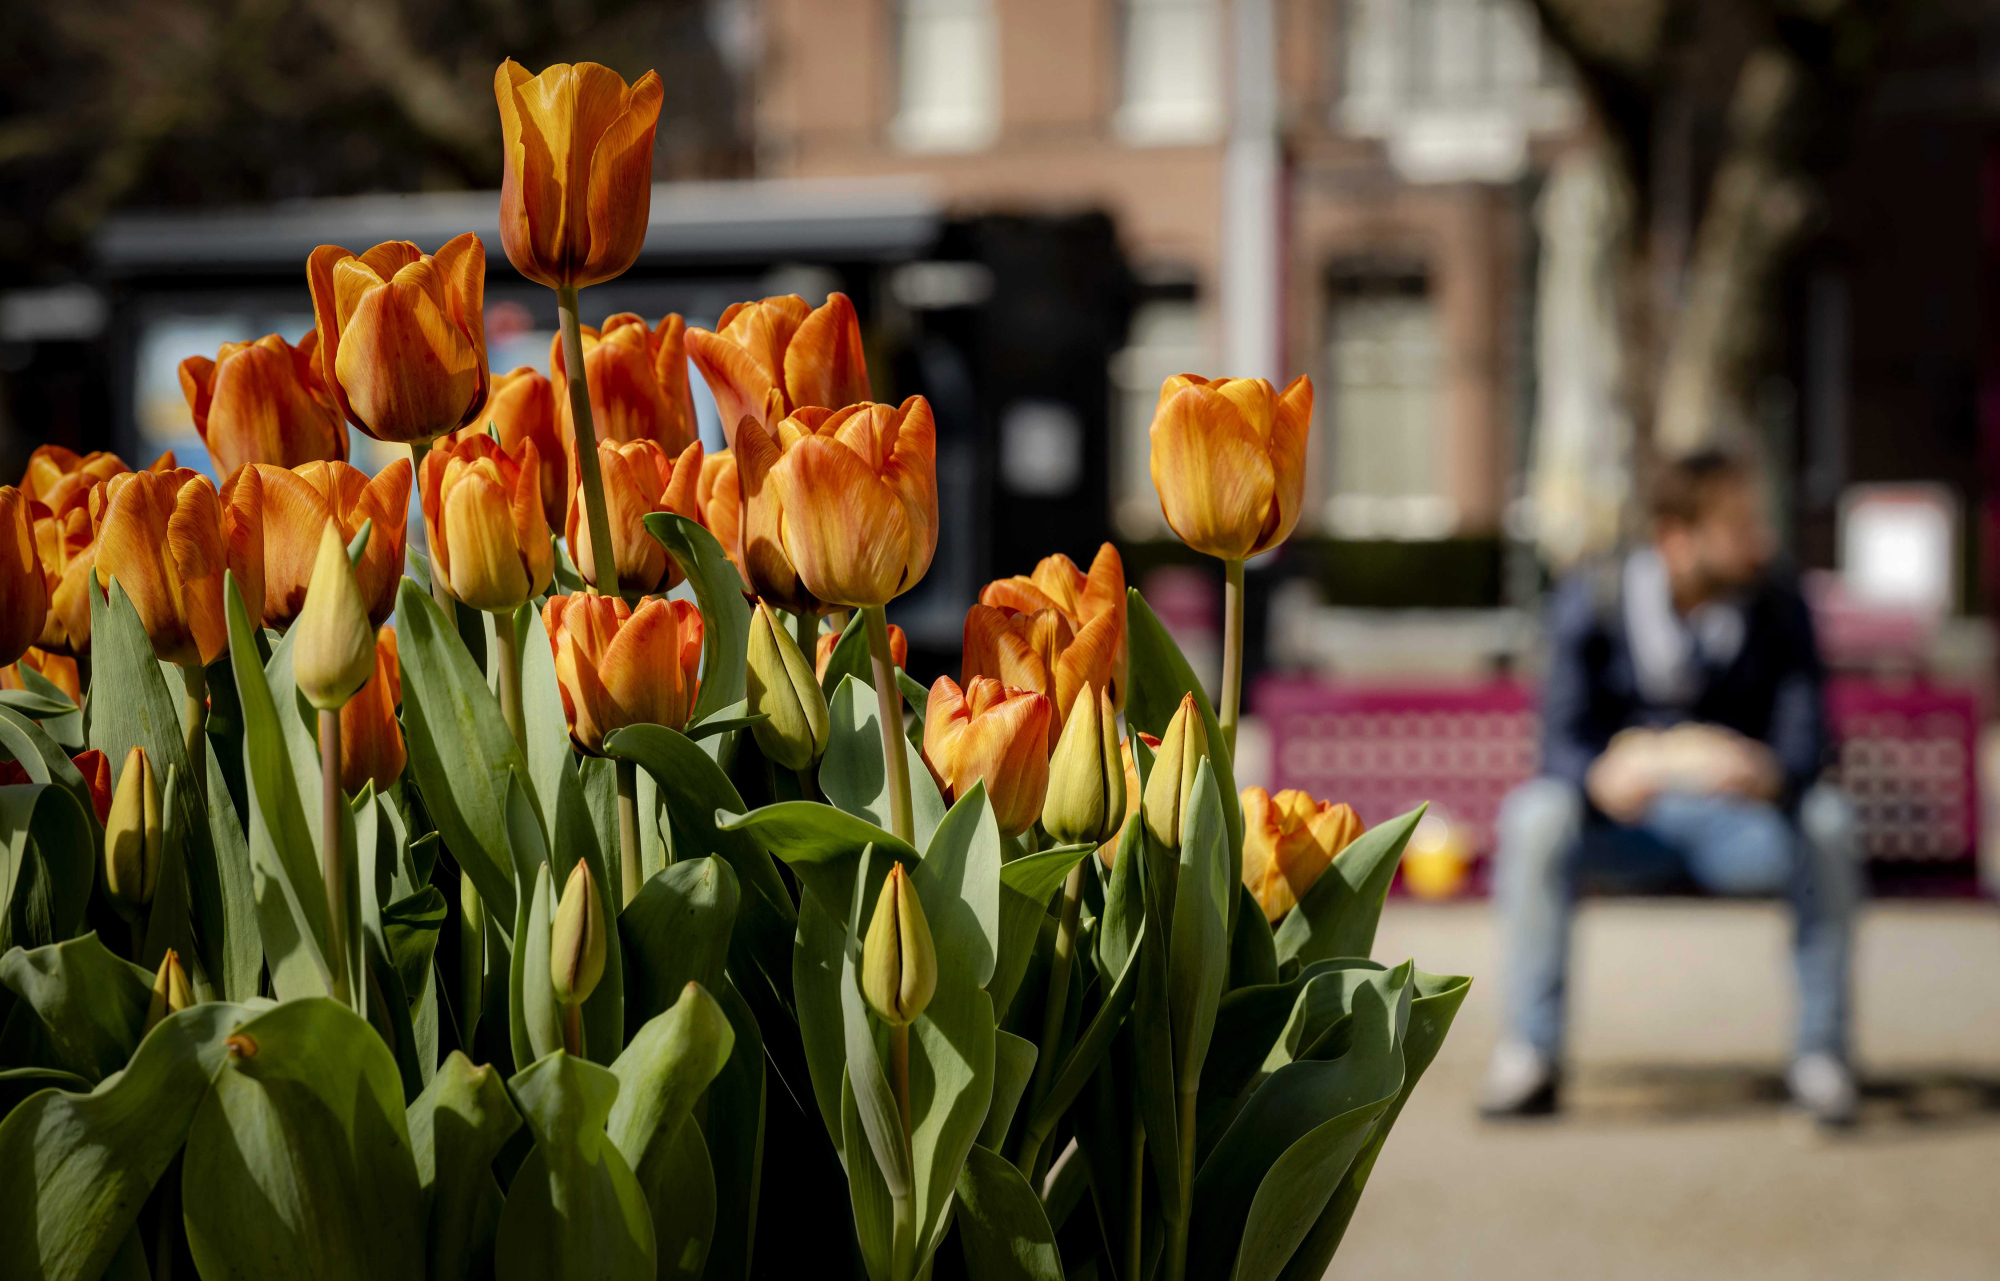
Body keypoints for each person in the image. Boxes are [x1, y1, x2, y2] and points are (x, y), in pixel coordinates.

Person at [1482, 450, 1861, 1125]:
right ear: (1676, 538)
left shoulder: (1777, 603)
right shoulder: (1595, 599)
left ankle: (1821, 1057)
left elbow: (1807, 741)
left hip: (1740, 830)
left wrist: (1764, 769)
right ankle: (1529, 1055)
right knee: (1534, 816)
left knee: (1828, 823)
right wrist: (1608, 772)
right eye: (1738, 528)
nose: (1759, 544)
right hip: (1627, 830)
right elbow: (1560, 743)